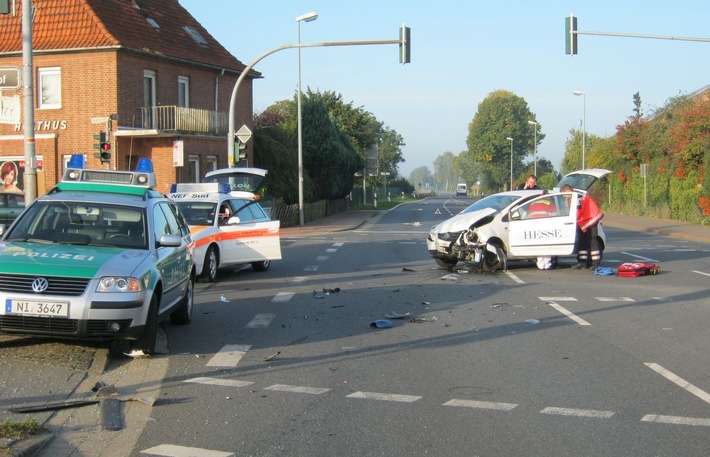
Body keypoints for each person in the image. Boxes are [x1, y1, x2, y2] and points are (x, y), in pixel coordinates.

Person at [561, 184, 604, 270]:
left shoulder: (577, 197)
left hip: (591, 219)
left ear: (569, 191)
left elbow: (576, 211)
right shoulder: (574, 197)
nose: (565, 197)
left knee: (592, 240)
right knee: (582, 240)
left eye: (565, 195)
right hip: (584, 220)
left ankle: (596, 263)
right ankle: (582, 262)